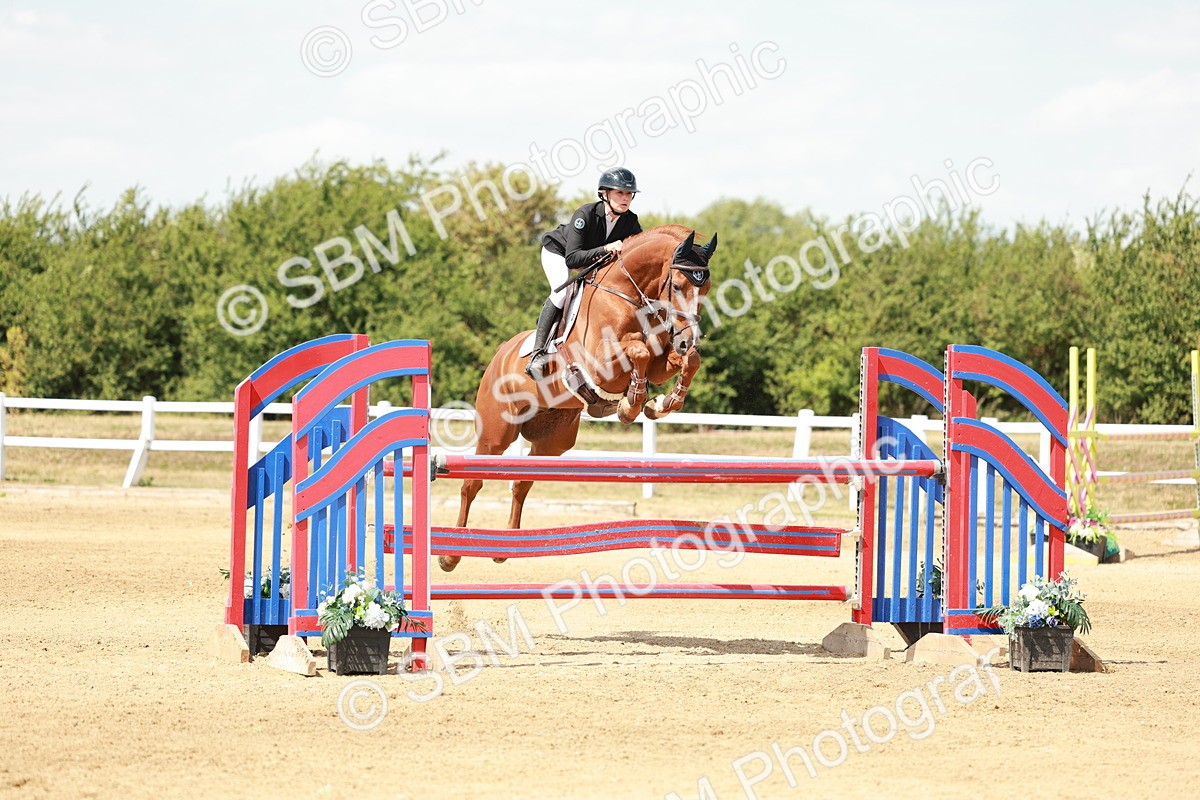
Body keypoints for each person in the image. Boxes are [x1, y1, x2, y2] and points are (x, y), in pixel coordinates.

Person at [526, 167, 643, 380]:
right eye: (620, 193)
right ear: (604, 194)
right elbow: (572, 259)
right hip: (559, 252)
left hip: (590, 261)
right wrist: (605, 249)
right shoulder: (586, 214)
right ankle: (537, 354)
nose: (625, 198)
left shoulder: (630, 221)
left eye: (629, 194)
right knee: (562, 291)